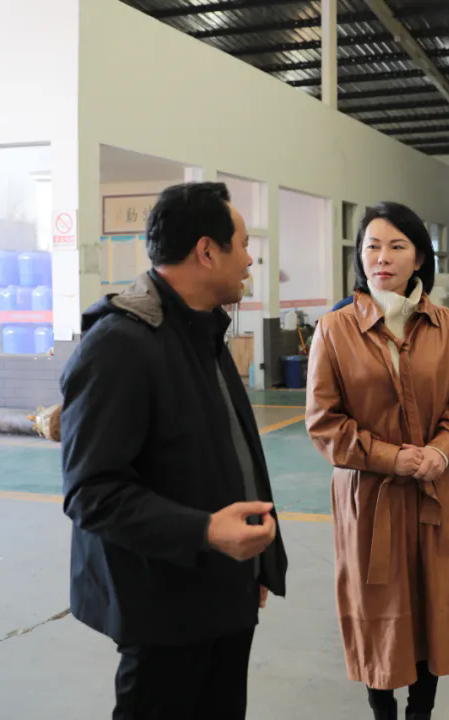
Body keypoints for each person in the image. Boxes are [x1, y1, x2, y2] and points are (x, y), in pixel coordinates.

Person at [59, 181, 288, 720]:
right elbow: (91, 492)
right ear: (207, 251)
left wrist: (259, 565)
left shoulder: (203, 334)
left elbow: (231, 451)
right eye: (242, 244)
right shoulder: (120, 346)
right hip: (164, 610)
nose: (250, 260)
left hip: (224, 590)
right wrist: (206, 532)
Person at [306, 201, 449, 720]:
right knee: (376, 608)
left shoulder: (446, 325)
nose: (381, 257)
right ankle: (382, 711)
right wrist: (390, 458)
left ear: (419, 258)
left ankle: (420, 713)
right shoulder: (334, 329)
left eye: (396, 246)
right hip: (369, 496)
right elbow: (324, 423)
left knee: (434, 604)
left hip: (433, 490)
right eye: (372, 247)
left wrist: (439, 451)